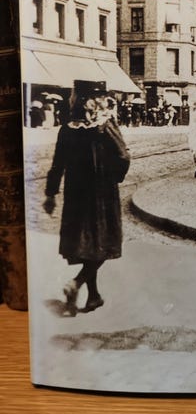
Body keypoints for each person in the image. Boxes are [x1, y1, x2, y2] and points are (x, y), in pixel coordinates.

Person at [43, 80, 130, 316]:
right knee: (104, 241)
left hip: (75, 193)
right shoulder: (104, 125)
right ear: (97, 100)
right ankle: (77, 283)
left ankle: (93, 296)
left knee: (86, 244)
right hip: (101, 193)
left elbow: (57, 165)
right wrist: (116, 177)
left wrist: (50, 194)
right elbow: (123, 157)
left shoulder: (67, 128)